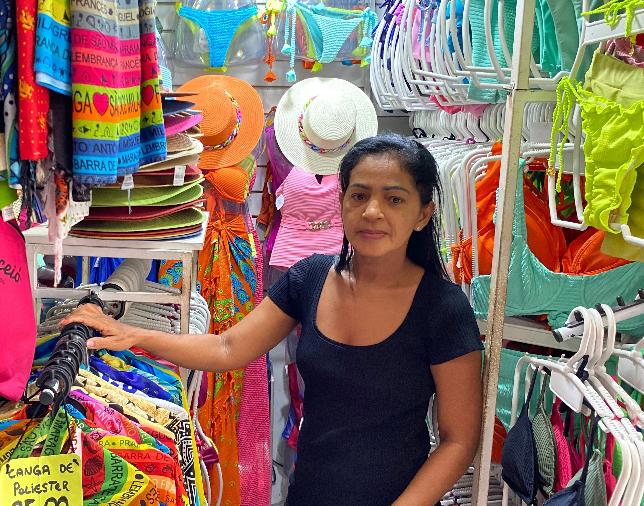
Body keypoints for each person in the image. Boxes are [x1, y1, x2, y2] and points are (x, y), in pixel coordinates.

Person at [61, 134, 484, 505]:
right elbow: (227, 348)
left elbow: (458, 441)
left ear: (424, 212)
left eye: (394, 198)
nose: (373, 211)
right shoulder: (311, 278)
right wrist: (132, 333)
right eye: (359, 195)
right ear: (341, 203)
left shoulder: (442, 309)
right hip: (309, 494)